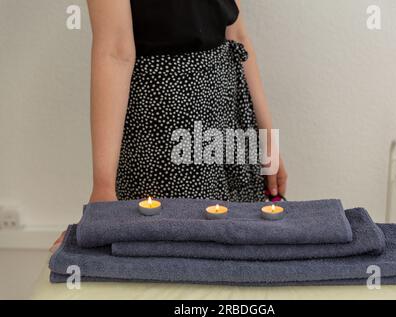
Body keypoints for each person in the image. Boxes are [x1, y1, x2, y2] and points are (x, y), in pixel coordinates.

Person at [50, 0, 287, 251]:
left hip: (229, 116)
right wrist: (103, 188)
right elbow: (115, 53)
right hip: (163, 126)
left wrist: (267, 138)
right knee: (170, 254)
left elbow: (236, 35)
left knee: (236, 254)